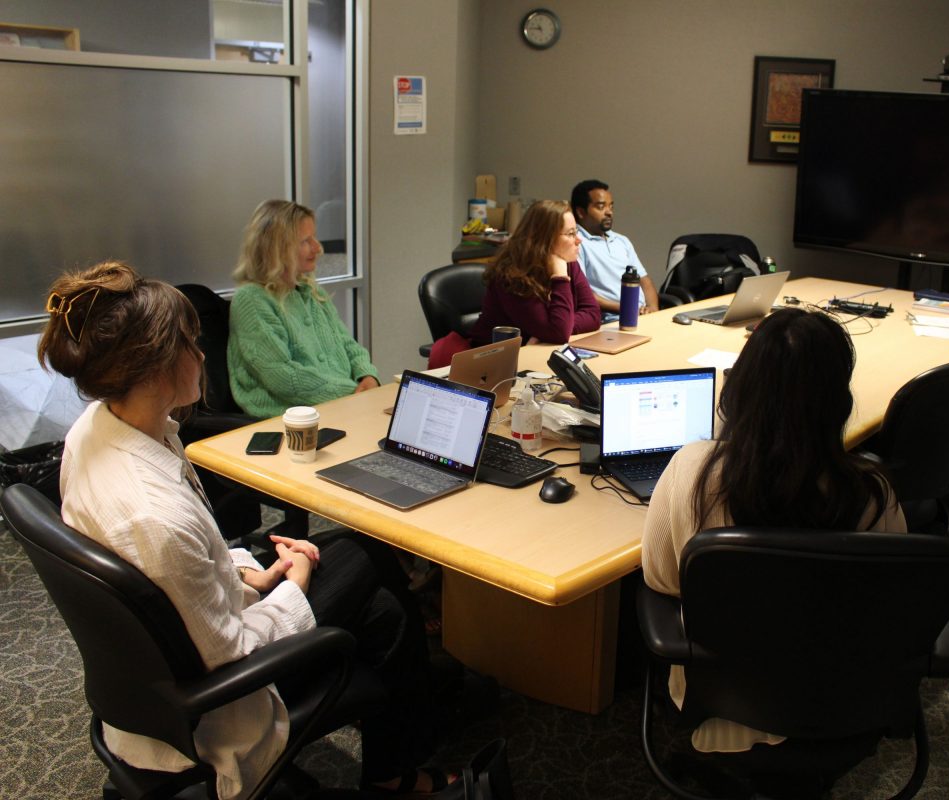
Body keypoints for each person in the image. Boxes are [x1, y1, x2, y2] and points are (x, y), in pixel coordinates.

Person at [39, 261, 453, 800]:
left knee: (383, 609)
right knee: (365, 553)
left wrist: (253, 573)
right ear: (157, 367)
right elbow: (228, 654)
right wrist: (294, 583)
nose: (203, 353)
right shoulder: (152, 514)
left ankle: (403, 740)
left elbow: (180, 569)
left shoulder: (96, 430)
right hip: (216, 702)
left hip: (159, 661)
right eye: (191, 341)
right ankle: (400, 766)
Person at [641, 307, 906, 796]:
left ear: (737, 392)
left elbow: (661, 581)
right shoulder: (873, 493)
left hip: (722, 701)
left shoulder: (692, 472)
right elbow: (893, 602)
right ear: (839, 401)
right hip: (846, 703)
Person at [228, 199, 380, 418]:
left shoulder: (309, 289)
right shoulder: (252, 299)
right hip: (291, 421)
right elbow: (282, 376)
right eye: (305, 241)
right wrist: (353, 394)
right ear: (277, 249)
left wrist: (367, 376)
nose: (318, 248)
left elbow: (348, 344)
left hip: (341, 405)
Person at [467, 199, 601, 346]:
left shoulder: (568, 263)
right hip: (492, 358)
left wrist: (555, 329)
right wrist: (560, 278)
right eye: (570, 233)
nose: (578, 240)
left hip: (535, 351)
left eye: (576, 232)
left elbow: (593, 315)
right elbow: (559, 332)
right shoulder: (512, 275)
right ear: (545, 238)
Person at [570, 179, 660, 318]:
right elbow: (583, 294)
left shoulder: (622, 241)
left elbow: (644, 280)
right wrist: (627, 309)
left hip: (642, 317)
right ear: (581, 212)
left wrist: (653, 309)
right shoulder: (576, 242)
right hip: (612, 321)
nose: (609, 213)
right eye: (601, 207)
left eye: (611, 207)